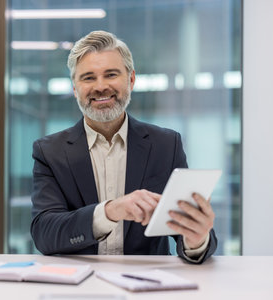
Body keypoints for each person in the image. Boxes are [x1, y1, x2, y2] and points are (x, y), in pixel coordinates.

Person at [30, 30, 217, 264]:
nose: (100, 86)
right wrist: (110, 211)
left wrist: (196, 239)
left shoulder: (166, 145)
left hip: (147, 284)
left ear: (131, 79)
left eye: (111, 74)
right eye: (88, 77)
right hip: (79, 282)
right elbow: (44, 233)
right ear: (75, 88)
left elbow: (184, 229)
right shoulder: (50, 152)